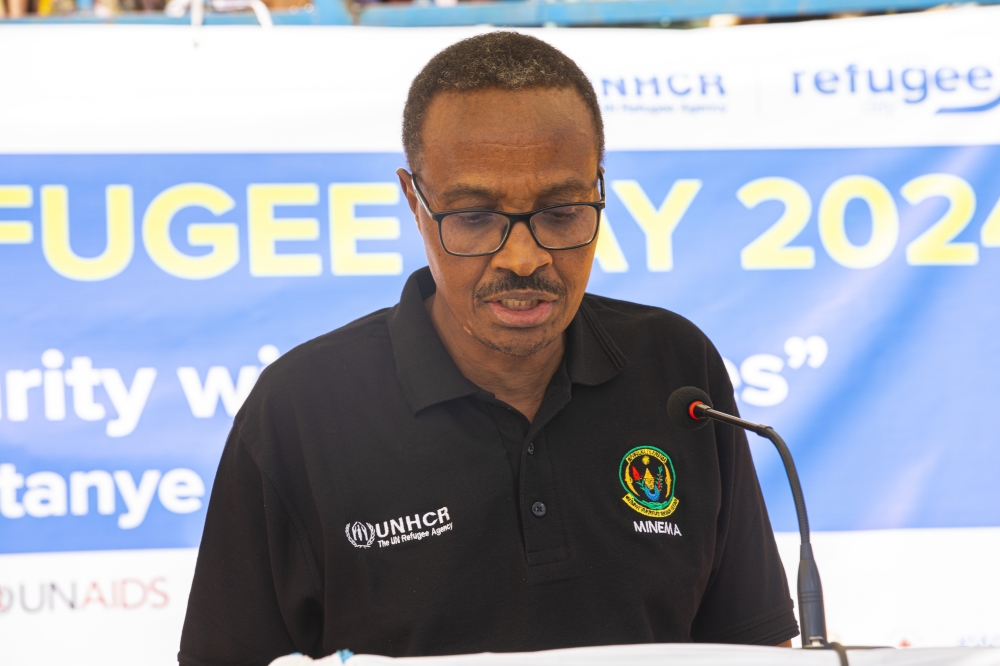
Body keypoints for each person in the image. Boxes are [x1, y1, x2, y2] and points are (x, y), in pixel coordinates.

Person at [179, 31, 798, 666]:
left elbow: (758, 648)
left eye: (561, 212)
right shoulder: (301, 410)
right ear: (415, 203)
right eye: (474, 216)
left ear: (600, 186)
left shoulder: (676, 373)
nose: (524, 257)